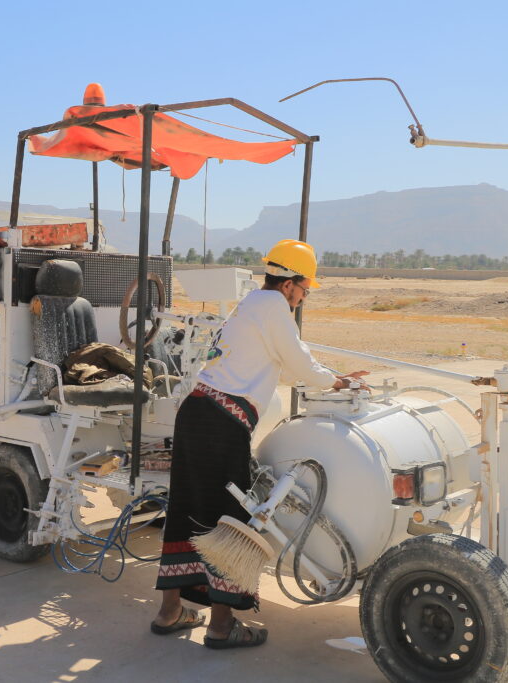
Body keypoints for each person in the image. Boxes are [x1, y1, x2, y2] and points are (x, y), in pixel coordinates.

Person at [151, 238, 368, 648]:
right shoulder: (274, 308)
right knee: (228, 520)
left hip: (196, 412)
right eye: (304, 290)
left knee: (186, 512)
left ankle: (169, 613)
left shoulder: (252, 303)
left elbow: (282, 366)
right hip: (221, 424)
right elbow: (300, 364)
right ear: (289, 284)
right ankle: (220, 626)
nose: (303, 299)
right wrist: (340, 381)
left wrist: (321, 373)